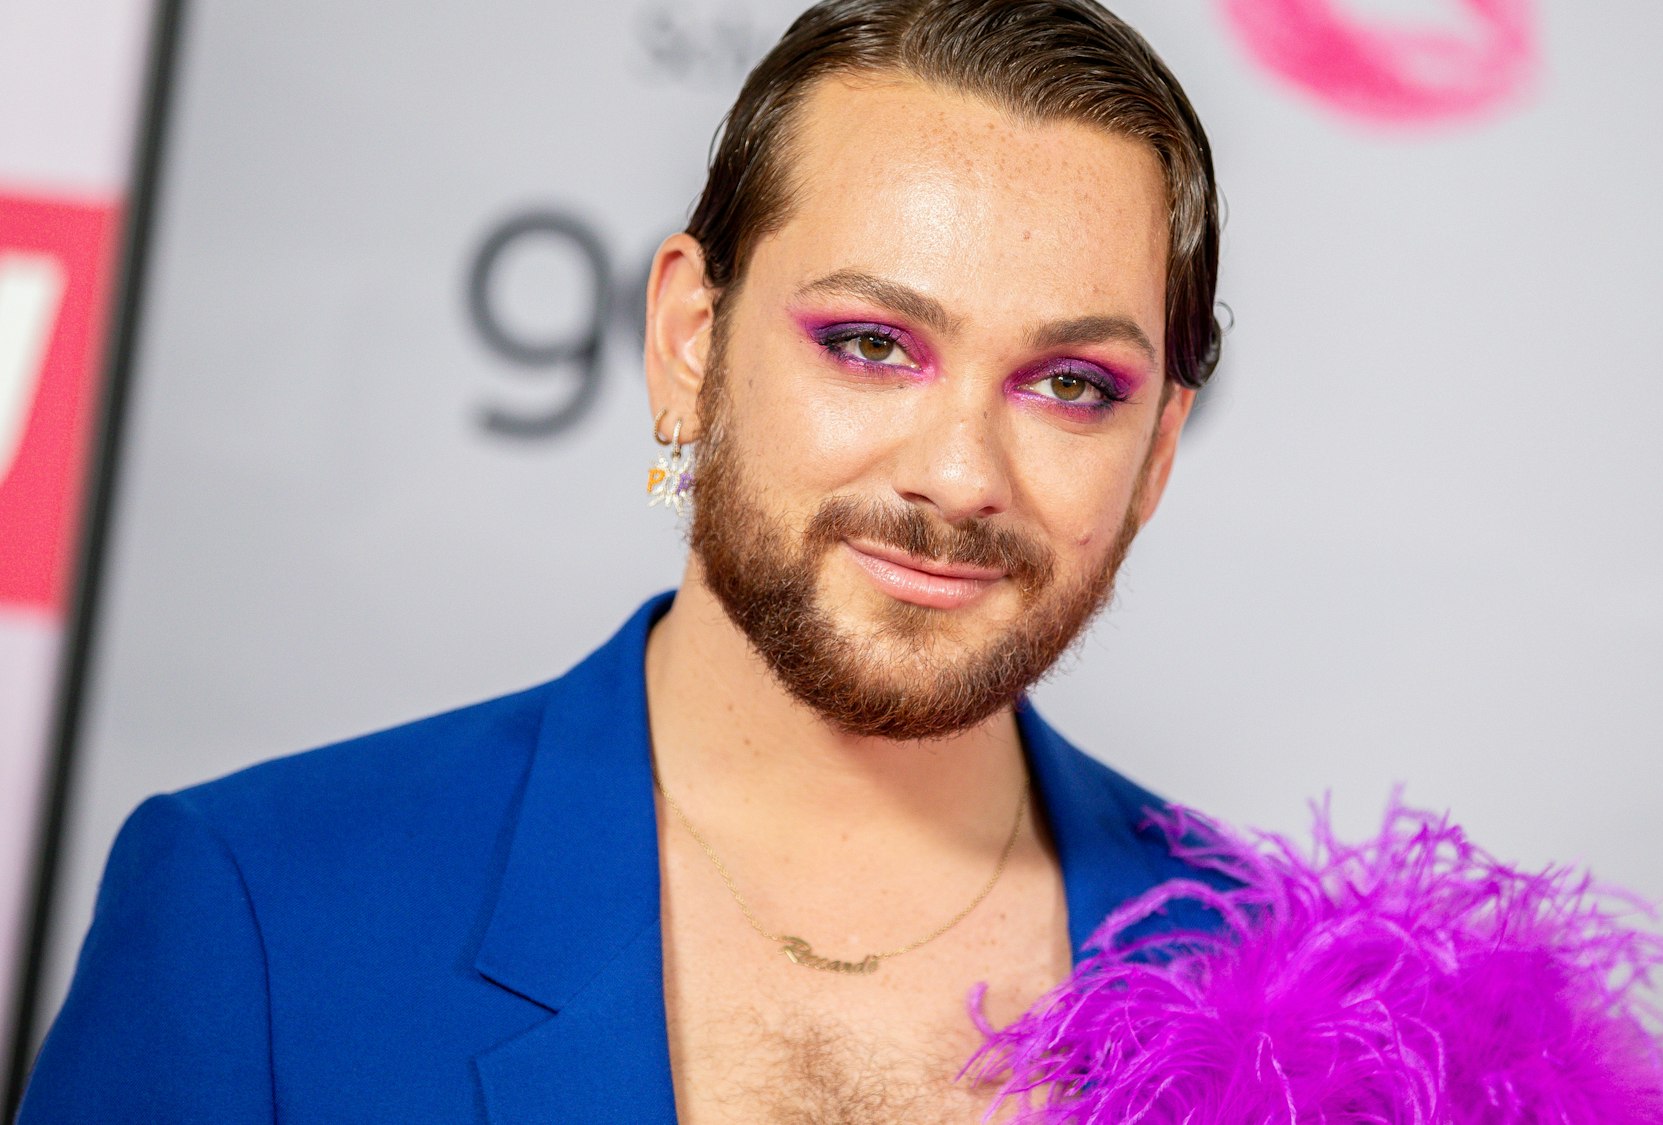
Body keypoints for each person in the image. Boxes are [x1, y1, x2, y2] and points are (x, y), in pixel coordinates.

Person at [19, 1, 1222, 1120]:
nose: (960, 475)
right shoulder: (258, 914)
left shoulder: (1289, 981)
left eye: (1071, 385)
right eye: (869, 344)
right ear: (688, 345)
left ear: (1157, 450)